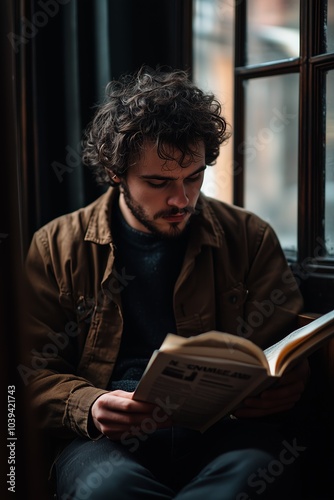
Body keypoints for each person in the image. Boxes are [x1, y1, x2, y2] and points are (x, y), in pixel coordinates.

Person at [24, 66, 312, 500]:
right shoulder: (55, 247)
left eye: (194, 177)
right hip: (105, 441)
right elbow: (28, 376)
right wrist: (90, 406)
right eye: (159, 183)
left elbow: (283, 350)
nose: (182, 200)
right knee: (108, 491)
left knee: (253, 476)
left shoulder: (249, 237)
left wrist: (288, 383)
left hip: (226, 433)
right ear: (116, 173)